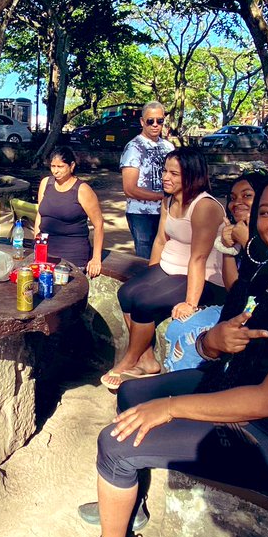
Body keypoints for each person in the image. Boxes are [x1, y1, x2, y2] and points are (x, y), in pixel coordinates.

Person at [84, 168, 268, 537]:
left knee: (115, 444)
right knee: (132, 396)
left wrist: (172, 407)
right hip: (240, 383)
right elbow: (217, 339)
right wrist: (212, 341)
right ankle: (131, 504)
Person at [103, 147, 226, 391]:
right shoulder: (168, 200)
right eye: (164, 171)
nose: (165, 178)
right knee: (127, 293)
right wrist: (150, 276)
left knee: (145, 302)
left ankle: (130, 358)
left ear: (192, 175)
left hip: (203, 277)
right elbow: (160, 240)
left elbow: (199, 258)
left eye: (174, 174)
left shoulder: (204, 207)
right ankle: (147, 360)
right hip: (169, 268)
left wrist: (190, 303)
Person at [36, 146, 104, 276]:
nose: (55, 171)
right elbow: (40, 214)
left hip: (72, 253)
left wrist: (96, 258)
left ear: (71, 166)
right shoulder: (46, 183)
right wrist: (37, 242)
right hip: (46, 249)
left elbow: (98, 224)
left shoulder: (82, 190)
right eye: (53, 166)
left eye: (60, 167)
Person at [119, 101, 174, 259]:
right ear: (142, 122)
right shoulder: (134, 148)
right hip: (142, 215)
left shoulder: (169, 147)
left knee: (167, 257)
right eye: (150, 121)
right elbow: (130, 189)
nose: (155, 125)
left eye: (160, 121)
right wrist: (163, 197)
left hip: (167, 212)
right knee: (146, 260)